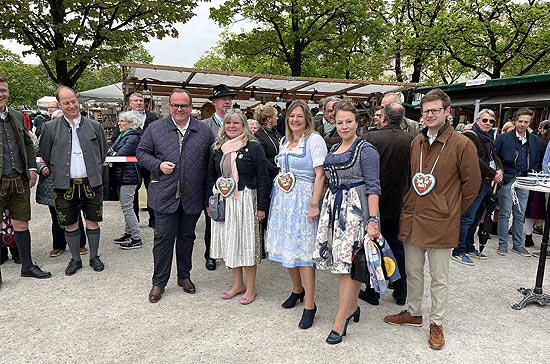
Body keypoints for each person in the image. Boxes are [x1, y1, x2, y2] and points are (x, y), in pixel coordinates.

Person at [384, 89, 481, 350]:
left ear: (447, 112)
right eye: (426, 111)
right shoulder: (417, 142)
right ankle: (413, 312)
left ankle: (436, 322)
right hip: (414, 216)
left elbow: (472, 186)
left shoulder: (462, 144)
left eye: (435, 110)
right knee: (413, 271)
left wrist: (451, 210)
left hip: (441, 221)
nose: (429, 115)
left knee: (439, 277)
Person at [137, 89, 215, 303]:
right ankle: (159, 282)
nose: (179, 109)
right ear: (169, 106)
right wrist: (159, 165)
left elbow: (210, 166)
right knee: (162, 240)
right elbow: (141, 154)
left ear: (191, 107)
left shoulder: (203, 132)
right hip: (164, 194)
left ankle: (184, 276)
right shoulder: (155, 129)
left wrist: (208, 197)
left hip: (192, 196)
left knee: (187, 238)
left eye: (183, 105)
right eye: (175, 105)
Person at [313, 100, 381, 344]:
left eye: (348, 121)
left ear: (357, 122)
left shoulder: (366, 150)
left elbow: (373, 188)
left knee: (349, 268)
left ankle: (340, 320)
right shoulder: (334, 150)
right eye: (339, 122)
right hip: (334, 210)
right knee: (345, 267)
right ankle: (352, 308)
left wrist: (373, 221)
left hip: (356, 213)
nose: (344, 126)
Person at [266, 100, 327, 329]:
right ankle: (297, 290)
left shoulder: (314, 140)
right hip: (283, 202)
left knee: (303, 254)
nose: (295, 120)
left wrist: (314, 203)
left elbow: (320, 175)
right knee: (287, 248)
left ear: (307, 118)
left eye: (300, 116)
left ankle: (310, 304)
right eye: (292, 116)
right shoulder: (285, 141)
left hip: (303, 200)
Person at [40, 86, 108, 276]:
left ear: (78, 101)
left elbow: (102, 152)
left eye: (73, 101)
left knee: (93, 221)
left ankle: (94, 257)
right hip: (64, 184)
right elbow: (45, 154)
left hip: (91, 182)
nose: (71, 106)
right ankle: (75, 259)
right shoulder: (49, 127)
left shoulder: (95, 126)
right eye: (66, 102)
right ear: (59, 105)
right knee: (70, 223)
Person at [206, 109, 270, 305]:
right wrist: (209, 201)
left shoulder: (253, 147)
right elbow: (210, 176)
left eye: (236, 123)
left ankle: (251, 287)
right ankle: (237, 284)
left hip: (245, 199)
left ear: (243, 126)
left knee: (246, 244)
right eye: (228, 123)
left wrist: (262, 206)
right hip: (224, 200)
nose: (231, 126)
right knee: (231, 242)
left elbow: (263, 177)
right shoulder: (218, 148)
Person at [0, 73, 51, 285]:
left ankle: (27, 266)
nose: (0, 94)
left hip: (19, 177)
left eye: (3, 90)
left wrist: (31, 168)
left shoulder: (17, 115)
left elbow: (28, 144)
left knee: (22, 222)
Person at [363, 102, 413, 306]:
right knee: (397, 245)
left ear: (383, 117)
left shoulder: (372, 138)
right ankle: (401, 291)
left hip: (375, 199)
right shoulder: (412, 140)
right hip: (399, 199)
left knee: (372, 245)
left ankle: (373, 292)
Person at [451, 109, 503, 265]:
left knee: (476, 218)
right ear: (477, 120)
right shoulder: (470, 136)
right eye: (484, 120)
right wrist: (494, 172)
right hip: (475, 184)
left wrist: (500, 170)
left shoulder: (488, 138)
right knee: (467, 218)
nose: (487, 124)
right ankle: (458, 250)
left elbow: (495, 156)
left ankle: (468, 246)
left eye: (491, 121)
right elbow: (474, 160)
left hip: (487, 184)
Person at [35, 109, 87, 258]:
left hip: (72, 180)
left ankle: (80, 243)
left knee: (75, 212)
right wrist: (42, 167)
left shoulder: (76, 135)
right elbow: (36, 154)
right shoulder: (46, 134)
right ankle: (59, 245)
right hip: (52, 182)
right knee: (56, 215)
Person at [201, 84, 237, 271]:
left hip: (235, 180)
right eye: (224, 99)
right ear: (214, 102)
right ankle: (211, 254)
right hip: (213, 177)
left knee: (232, 219)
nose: (227, 101)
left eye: (229, 98)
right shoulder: (204, 126)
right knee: (212, 217)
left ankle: (230, 253)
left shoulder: (238, 123)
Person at [494, 108, 539, 257]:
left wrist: (532, 174)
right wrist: (499, 172)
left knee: (520, 214)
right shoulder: (503, 138)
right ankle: (502, 244)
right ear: (515, 120)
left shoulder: (533, 139)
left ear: (529, 122)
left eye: (526, 122)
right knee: (505, 213)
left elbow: (536, 158)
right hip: (507, 179)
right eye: (520, 121)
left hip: (524, 180)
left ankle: (518, 245)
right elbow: (495, 157)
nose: (523, 124)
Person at [111, 92, 158, 230]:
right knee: (133, 191)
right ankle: (134, 220)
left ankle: (153, 219)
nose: (139, 103)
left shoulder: (152, 117)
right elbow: (116, 137)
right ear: (130, 103)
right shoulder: (124, 118)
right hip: (131, 163)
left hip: (149, 160)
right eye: (135, 100)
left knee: (152, 189)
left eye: (141, 100)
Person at [108, 111, 143, 250]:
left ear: (130, 123)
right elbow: (111, 150)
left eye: (122, 121)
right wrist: (112, 152)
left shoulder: (133, 137)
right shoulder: (125, 135)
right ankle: (129, 233)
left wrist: (112, 152)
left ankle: (136, 237)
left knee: (127, 207)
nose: (119, 123)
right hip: (123, 175)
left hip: (128, 176)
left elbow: (119, 154)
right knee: (126, 206)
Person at [253, 104, 282, 256]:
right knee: (263, 211)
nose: (278, 118)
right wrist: (278, 169)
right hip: (267, 177)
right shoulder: (258, 136)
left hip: (278, 179)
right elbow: (262, 159)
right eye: (276, 116)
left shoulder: (276, 134)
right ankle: (260, 246)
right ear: (269, 119)